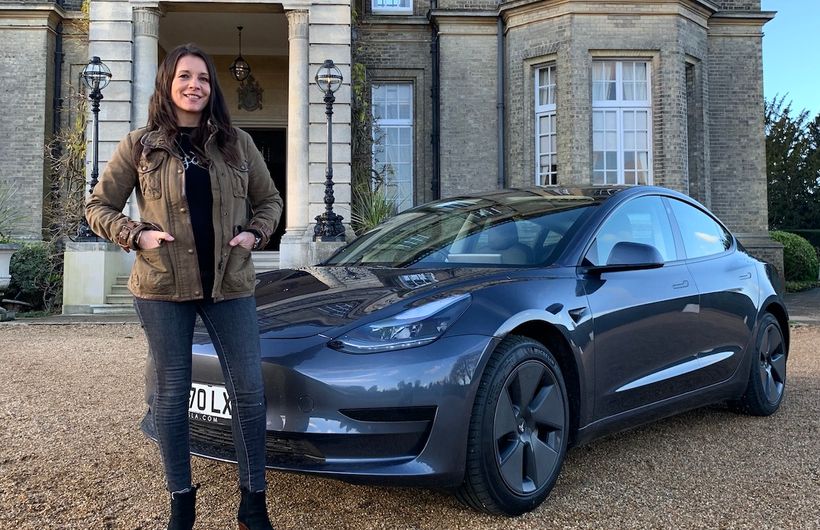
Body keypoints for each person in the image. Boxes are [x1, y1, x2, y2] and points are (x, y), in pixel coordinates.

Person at [86, 43, 282, 530]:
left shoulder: (238, 144)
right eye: (184, 76)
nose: (194, 85)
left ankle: (253, 503)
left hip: (229, 282)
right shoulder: (140, 145)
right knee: (171, 397)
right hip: (161, 285)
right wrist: (137, 234)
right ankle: (182, 502)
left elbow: (270, 200)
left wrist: (255, 233)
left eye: (203, 78)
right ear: (168, 85)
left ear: (212, 89)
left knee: (250, 394)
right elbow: (97, 208)